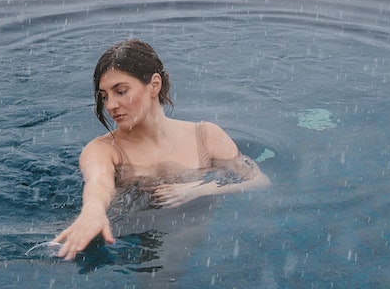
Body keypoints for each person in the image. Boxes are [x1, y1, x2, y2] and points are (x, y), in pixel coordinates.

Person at [53, 39, 269, 261]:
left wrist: (200, 190)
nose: (110, 105)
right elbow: (98, 183)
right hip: (124, 234)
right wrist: (93, 210)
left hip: (195, 231)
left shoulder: (207, 137)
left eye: (120, 91)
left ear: (154, 85)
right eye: (105, 96)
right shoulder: (103, 150)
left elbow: (258, 181)